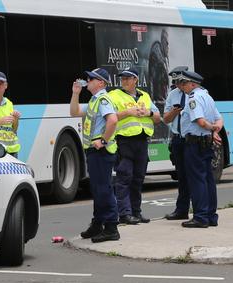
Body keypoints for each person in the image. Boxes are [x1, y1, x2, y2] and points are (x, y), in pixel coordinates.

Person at [70, 68, 120, 243]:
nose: (88, 80)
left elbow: (113, 120)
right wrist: (76, 93)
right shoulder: (94, 100)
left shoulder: (103, 99)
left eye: (92, 78)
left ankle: (112, 227)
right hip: (94, 152)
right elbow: (74, 112)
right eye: (88, 78)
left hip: (101, 152)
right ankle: (98, 224)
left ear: (101, 83)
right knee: (98, 190)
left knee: (104, 189)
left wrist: (104, 141)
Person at [107, 67, 161, 225]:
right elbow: (109, 117)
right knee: (124, 178)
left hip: (142, 142)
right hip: (124, 142)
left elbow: (158, 118)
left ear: (135, 80)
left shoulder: (145, 96)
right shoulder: (114, 96)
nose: (123, 81)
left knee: (138, 179)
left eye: (127, 78)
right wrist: (128, 112)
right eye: (122, 78)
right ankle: (124, 214)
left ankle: (136, 213)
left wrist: (149, 114)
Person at [178, 70, 223, 228]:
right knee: (208, 179)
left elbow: (201, 122)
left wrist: (211, 128)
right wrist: (216, 129)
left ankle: (200, 217)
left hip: (195, 143)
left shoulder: (194, 98)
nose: (181, 86)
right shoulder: (207, 96)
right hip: (206, 143)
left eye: (183, 83)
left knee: (197, 180)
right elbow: (219, 118)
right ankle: (211, 216)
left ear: (192, 84)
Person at [162, 66, 190, 221]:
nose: (178, 85)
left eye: (180, 81)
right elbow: (166, 119)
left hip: (193, 140)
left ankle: (202, 211)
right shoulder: (173, 95)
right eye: (176, 82)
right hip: (179, 139)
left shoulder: (198, 94)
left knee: (196, 176)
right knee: (182, 176)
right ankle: (182, 210)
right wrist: (174, 111)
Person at [147, 28, 170, 105]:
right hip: (156, 93)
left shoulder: (163, 55)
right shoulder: (157, 46)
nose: (167, 45)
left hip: (161, 93)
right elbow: (160, 64)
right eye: (166, 42)